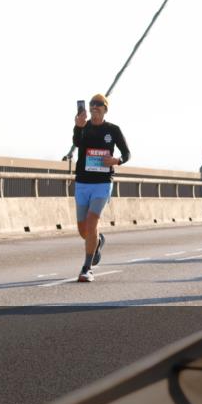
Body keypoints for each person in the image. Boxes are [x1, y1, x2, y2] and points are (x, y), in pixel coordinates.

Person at [72, 93, 130, 282]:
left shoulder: (113, 130)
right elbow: (76, 143)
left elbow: (127, 153)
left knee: (91, 223)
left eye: (99, 104)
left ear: (105, 109)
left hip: (102, 183)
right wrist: (78, 127)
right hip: (82, 182)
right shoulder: (83, 126)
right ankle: (97, 242)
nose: (94, 107)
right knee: (83, 230)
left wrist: (116, 160)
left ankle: (87, 268)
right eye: (92, 104)